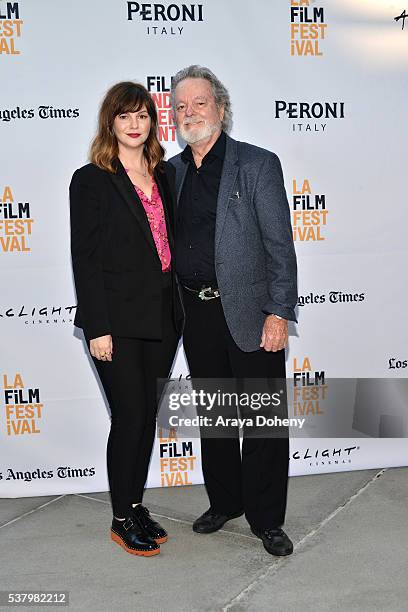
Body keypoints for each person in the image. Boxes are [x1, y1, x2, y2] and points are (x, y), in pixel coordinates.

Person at [169, 66, 298, 556]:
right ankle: (224, 501)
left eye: (199, 103)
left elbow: (280, 247)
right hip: (195, 314)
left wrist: (278, 311)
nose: (190, 113)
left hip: (251, 311)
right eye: (181, 107)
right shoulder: (172, 171)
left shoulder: (257, 164)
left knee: (263, 422)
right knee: (217, 417)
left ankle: (267, 519)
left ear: (220, 108)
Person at [70, 81, 183, 557]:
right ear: (110, 123)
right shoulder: (91, 178)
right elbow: (86, 258)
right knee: (130, 414)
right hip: (115, 320)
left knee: (145, 418)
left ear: (152, 122)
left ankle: (135, 504)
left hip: (163, 315)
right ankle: (121, 518)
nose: (135, 125)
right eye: (125, 117)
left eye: (143, 116)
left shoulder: (167, 174)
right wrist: (97, 327)